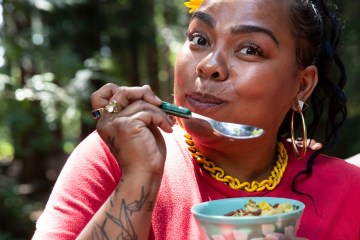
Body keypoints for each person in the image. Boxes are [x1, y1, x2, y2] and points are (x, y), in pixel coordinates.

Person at [32, 0, 360, 239]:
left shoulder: (349, 193)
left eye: (249, 49)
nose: (208, 65)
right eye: (199, 39)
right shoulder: (114, 157)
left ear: (301, 85)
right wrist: (139, 178)